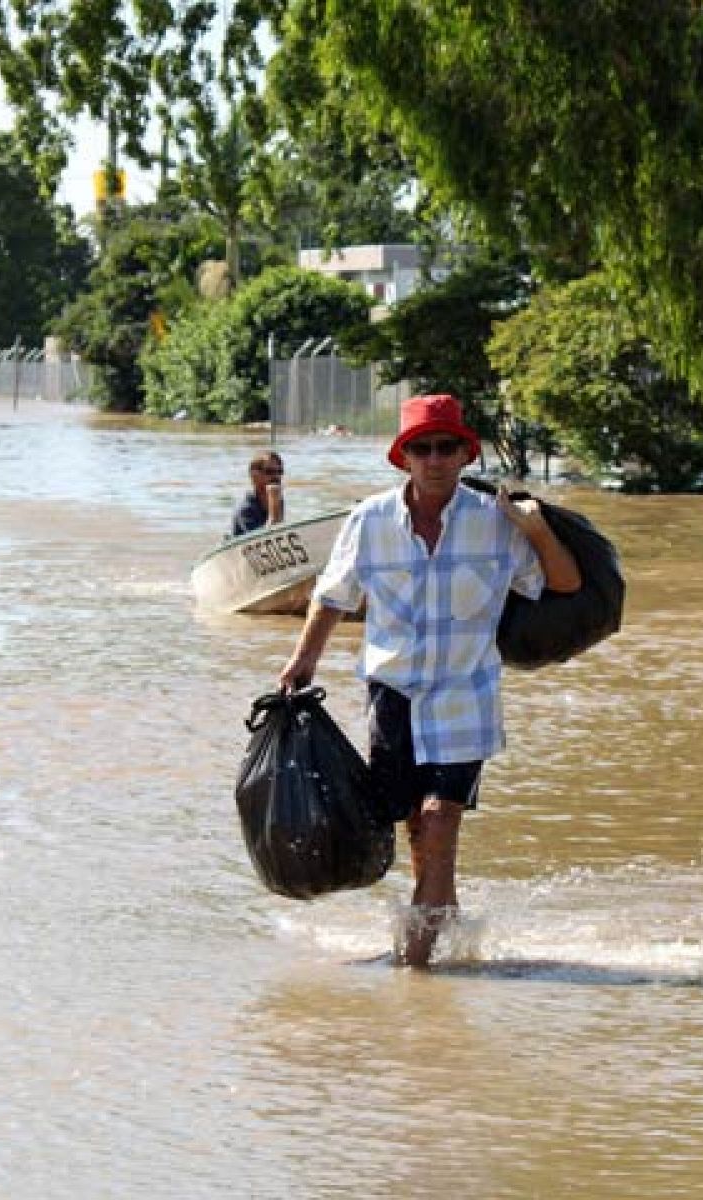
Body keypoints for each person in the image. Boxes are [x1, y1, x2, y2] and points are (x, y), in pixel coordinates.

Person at [277, 394, 582, 968]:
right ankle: (450, 926)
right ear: (404, 458)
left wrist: (537, 530)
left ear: (465, 454)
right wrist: (302, 663)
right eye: (423, 448)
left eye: (446, 447)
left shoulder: (496, 522)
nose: (435, 459)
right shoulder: (368, 520)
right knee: (418, 829)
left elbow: (562, 583)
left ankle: (414, 966)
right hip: (393, 695)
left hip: (466, 694)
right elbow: (332, 597)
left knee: (441, 820)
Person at [230, 452, 286, 537]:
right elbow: (265, 539)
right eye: (269, 471)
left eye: (280, 472)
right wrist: (274, 505)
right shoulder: (245, 510)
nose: (276, 476)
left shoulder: (277, 499)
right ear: (254, 475)